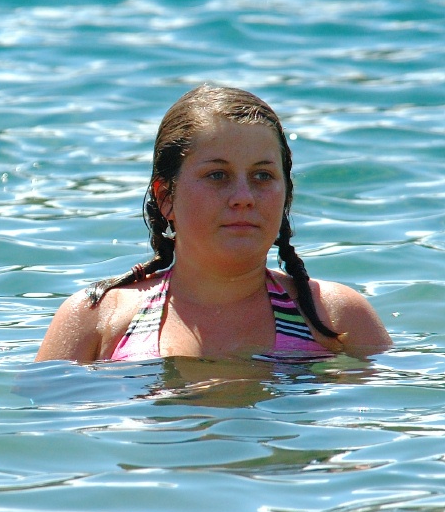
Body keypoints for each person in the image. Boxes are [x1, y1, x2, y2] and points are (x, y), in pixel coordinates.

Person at [36, 83, 392, 364]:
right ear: (166, 197)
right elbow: (47, 440)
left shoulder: (335, 319)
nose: (244, 196)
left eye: (263, 176)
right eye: (218, 175)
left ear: (286, 193)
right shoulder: (98, 319)